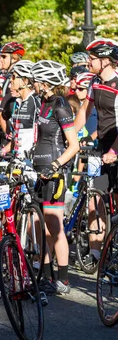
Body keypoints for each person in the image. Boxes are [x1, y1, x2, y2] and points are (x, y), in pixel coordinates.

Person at [31, 60, 79, 295]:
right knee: (42, 225)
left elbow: (74, 145)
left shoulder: (61, 106)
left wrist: (55, 165)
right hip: (40, 171)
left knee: (54, 225)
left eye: (36, 80)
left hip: (55, 173)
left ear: (45, 82)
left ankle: (64, 280)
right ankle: (46, 276)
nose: (34, 84)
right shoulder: (43, 102)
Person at [74, 38, 118, 268]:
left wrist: (114, 151)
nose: (88, 62)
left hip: (116, 147)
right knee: (95, 197)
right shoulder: (94, 82)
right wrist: (71, 136)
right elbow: (84, 111)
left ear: (105, 61)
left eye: (92, 59)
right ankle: (95, 253)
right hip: (101, 147)